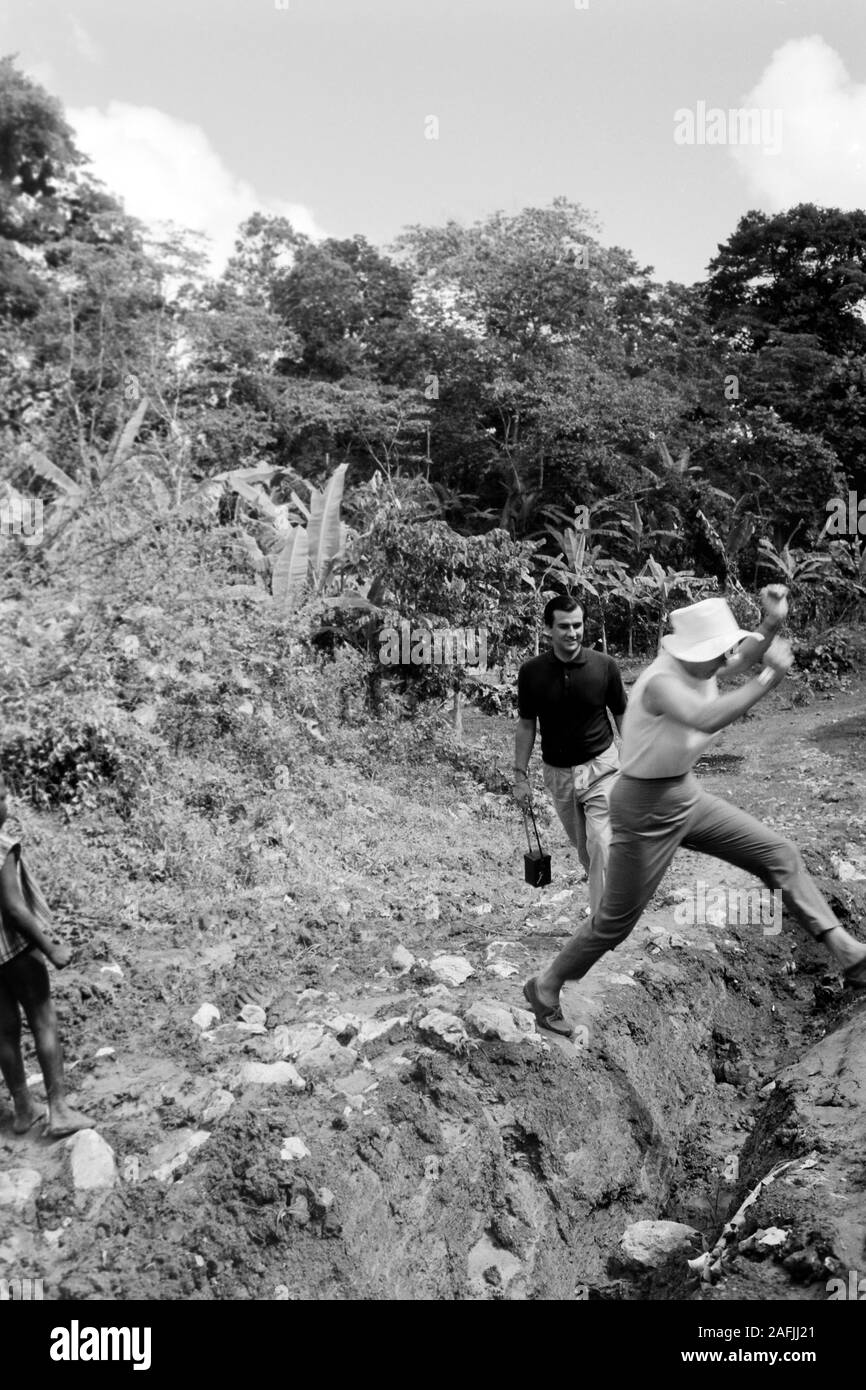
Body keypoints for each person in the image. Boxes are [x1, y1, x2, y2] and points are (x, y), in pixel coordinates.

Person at [523, 586, 866, 1034]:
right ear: (693, 650)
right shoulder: (662, 683)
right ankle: (546, 984)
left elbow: (741, 656)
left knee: (777, 854)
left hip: (684, 793)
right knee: (614, 923)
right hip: (643, 808)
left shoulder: (703, 663)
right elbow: (707, 717)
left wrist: (771, 622)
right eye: (718, 651)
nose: (726, 660)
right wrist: (767, 680)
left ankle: (849, 955)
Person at [514, 596, 627, 915]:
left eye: (577, 625)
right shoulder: (531, 673)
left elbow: (622, 715)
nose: (573, 632)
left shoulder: (604, 666)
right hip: (558, 774)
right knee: (585, 849)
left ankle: (604, 919)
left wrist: (632, 760)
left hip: (601, 768)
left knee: (600, 842)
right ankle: (612, 888)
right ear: (548, 629)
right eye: (564, 626)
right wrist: (519, 775)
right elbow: (526, 725)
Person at [0, 774, 94, 1136]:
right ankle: (58, 1109)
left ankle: (23, 1109)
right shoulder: (2, 847)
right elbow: (14, 909)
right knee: (43, 1019)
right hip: (17, 951)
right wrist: (49, 946)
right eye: (2, 797)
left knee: (4, 1033)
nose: (6, 804)